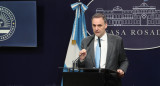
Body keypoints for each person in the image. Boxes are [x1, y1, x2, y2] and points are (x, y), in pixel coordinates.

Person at [78, 13, 129, 86]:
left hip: (111, 82)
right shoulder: (85, 41)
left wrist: (122, 70)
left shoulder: (117, 41)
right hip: (90, 82)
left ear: (105, 25)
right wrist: (81, 60)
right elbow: (80, 66)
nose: (96, 29)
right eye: (94, 25)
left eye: (99, 25)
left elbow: (124, 60)